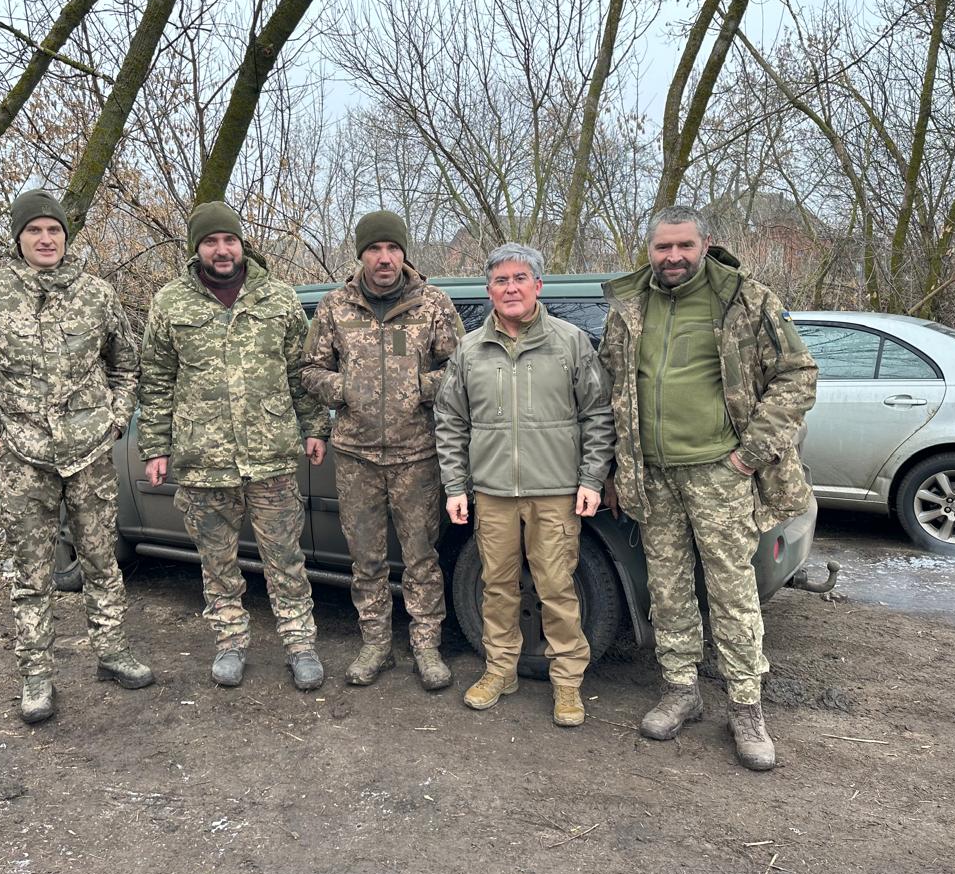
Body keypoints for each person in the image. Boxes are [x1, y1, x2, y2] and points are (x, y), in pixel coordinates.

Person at [598, 204, 817, 771]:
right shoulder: (628, 307)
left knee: (731, 590)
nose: (673, 257)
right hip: (652, 474)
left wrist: (750, 454)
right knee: (667, 588)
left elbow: (797, 375)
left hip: (720, 472)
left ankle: (746, 708)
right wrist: (617, 469)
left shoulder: (746, 299)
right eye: (662, 247)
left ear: (704, 244)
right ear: (648, 249)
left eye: (683, 246)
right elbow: (608, 389)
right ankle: (680, 690)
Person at [0, 188, 154, 725]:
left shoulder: (97, 295)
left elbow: (126, 365)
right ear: (19, 238)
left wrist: (113, 420)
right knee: (32, 574)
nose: (45, 239)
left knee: (102, 561)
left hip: (89, 453)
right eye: (35, 230)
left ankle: (111, 652)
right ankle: (37, 675)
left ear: (66, 236)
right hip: (23, 455)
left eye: (54, 230)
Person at [137, 201, 330, 691]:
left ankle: (300, 644)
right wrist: (155, 447)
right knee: (217, 561)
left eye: (229, 240)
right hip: (203, 459)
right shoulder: (170, 303)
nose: (221, 250)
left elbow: (298, 372)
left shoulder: (278, 299)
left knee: (285, 557)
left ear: (242, 244)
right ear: (196, 248)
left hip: (271, 458)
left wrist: (314, 427)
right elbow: (156, 381)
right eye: (210, 241)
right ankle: (230, 641)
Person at [434, 243, 615, 726]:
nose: (510, 288)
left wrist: (592, 477)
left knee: (557, 588)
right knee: (496, 587)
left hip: (555, 492)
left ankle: (567, 684)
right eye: (500, 280)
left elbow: (597, 414)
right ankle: (500, 671)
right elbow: (450, 420)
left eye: (520, 278)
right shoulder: (470, 350)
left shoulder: (572, 342)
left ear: (538, 285)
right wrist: (456, 486)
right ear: (488, 289)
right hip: (491, 493)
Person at [301, 210, 463, 691]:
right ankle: (376, 644)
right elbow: (310, 370)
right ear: (362, 255)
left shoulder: (432, 304)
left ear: (404, 253)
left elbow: (461, 369)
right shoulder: (335, 307)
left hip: (418, 454)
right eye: (375, 249)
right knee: (366, 559)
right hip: (356, 456)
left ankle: (426, 647)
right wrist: (346, 388)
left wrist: (419, 385)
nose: (384, 258)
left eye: (392, 248)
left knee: (420, 557)